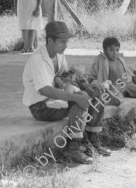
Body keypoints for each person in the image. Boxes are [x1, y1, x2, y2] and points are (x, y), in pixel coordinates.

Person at [22, 21, 111, 164]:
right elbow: (45, 90)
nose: (66, 46)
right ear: (50, 40)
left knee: (97, 93)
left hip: (56, 101)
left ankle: (93, 141)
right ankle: (73, 147)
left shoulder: (59, 54)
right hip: (41, 106)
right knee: (79, 100)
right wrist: (75, 96)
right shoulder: (38, 59)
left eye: (66, 42)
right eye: (62, 42)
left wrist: (86, 86)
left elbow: (66, 77)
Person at [54, 65, 121, 107]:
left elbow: (84, 84)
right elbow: (57, 78)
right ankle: (63, 101)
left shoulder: (78, 78)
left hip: (76, 91)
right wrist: (63, 84)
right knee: (70, 87)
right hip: (69, 93)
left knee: (96, 89)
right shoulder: (64, 75)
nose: (74, 76)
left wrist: (86, 84)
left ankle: (109, 96)